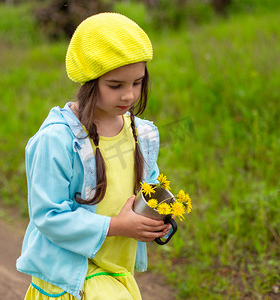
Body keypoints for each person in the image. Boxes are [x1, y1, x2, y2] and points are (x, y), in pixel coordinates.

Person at [16, 12, 170, 300]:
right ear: (89, 81)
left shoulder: (143, 134)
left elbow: (148, 188)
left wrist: (155, 216)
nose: (129, 96)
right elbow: (48, 215)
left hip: (116, 267)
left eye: (137, 83)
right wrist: (116, 226)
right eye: (116, 85)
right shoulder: (57, 140)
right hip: (69, 273)